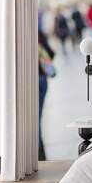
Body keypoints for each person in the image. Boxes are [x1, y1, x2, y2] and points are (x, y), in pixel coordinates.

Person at [38, 30, 55, 161]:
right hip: (42, 79)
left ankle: (38, 159)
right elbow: (51, 52)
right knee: (36, 123)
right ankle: (40, 159)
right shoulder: (37, 32)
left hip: (29, 83)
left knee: (32, 125)